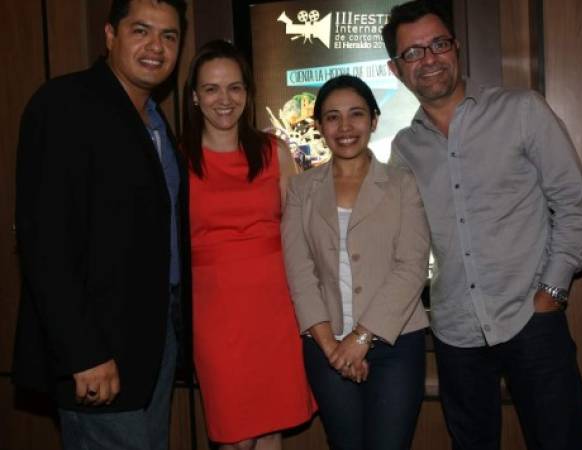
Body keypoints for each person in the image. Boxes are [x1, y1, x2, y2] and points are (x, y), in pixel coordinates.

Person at [382, 1, 582, 449]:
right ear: (396, 69)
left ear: (456, 48)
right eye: (413, 52)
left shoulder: (522, 110)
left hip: (532, 319)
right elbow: (402, 243)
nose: (429, 58)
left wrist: (551, 292)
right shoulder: (405, 149)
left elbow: (576, 208)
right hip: (456, 333)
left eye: (438, 44)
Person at [12, 1, 189, 449]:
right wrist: (83, 352)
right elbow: (44, 239)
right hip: (97, 349)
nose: (156, 46)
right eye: (141, 31)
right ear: (110, 34)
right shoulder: (66, 103)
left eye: (169, 36)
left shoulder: (153, 118)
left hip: (153, 339)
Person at [281, 75, 430, 450]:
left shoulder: (403, 184)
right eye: (332, 117)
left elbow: (411, 266)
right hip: (325, 343)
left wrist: (360, 339)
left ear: (375, 120)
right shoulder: (301, 189)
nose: (344, 127)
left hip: (397, 344)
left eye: (356, 115)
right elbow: (300, 271)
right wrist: (333, 347)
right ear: (318, 127)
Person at [181, 39, 316, 450]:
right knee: (234, 435)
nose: (225, 99)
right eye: (211, 89)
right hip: (214, 314)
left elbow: (300, 234)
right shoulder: (178, 158)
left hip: (275, 310)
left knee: (271, 428)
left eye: (235, 88)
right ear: (194, 97)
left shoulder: (273, 151)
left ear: (247, 94)